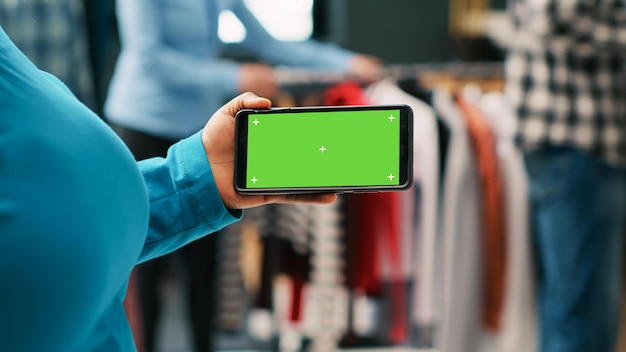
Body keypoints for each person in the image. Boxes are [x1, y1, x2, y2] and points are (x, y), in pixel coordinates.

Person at [0, 21, 336, 352]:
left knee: (204, 278)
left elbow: (267, 38)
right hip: (145, 124)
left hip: (183, 154)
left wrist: (194, 183)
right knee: (152, 292)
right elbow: (150, 57)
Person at [103, 1, 382, 351]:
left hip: (197, 131)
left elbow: (271, 45)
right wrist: (232, 77)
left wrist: (346, 63)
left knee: (206, 260)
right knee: (146, 267)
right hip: (142, 124)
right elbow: (149, 57)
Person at [505, 0, 626, 351]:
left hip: (576, 143)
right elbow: (555, 17)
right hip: (579, 142)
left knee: (567, 307)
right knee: (583, 318)